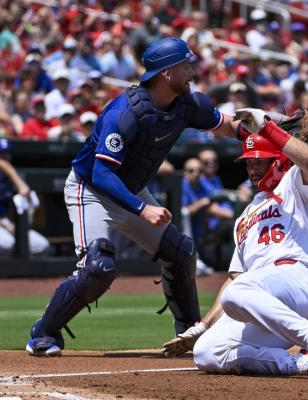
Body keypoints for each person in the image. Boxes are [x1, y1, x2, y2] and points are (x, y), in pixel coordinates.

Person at [26, 37, 241, 357]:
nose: (192, 71)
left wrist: (270, 131)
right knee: (98, 267)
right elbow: (101, 174)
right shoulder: (125, 112)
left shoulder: (188, 104)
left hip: (130, 188)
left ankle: (189, 332)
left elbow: (228, 127)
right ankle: (42, 333)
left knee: (180, 252)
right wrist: (142, 209)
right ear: (167, 73)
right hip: (93, 190)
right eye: (186, 65)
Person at [162, 108, 308, 376]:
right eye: (249, 162)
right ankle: (307, 363)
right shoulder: (244, 217)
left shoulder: (293, 184)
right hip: (258, 298)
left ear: (277, 161)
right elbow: (233, 279)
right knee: (207, 352)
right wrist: (203, 326)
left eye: (259, 161)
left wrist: (266, 128)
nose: (252, 168)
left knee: (238, 292)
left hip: (293, 281)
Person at [0, 139, 50, 260]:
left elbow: (27, 204)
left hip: (6, 223)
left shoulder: (12, 178)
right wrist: (5, 225)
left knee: (42, 246)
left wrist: (29, 208)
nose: (5, 157)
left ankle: (20, 276)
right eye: (1, 154)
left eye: (7, 154)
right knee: (6, 244)